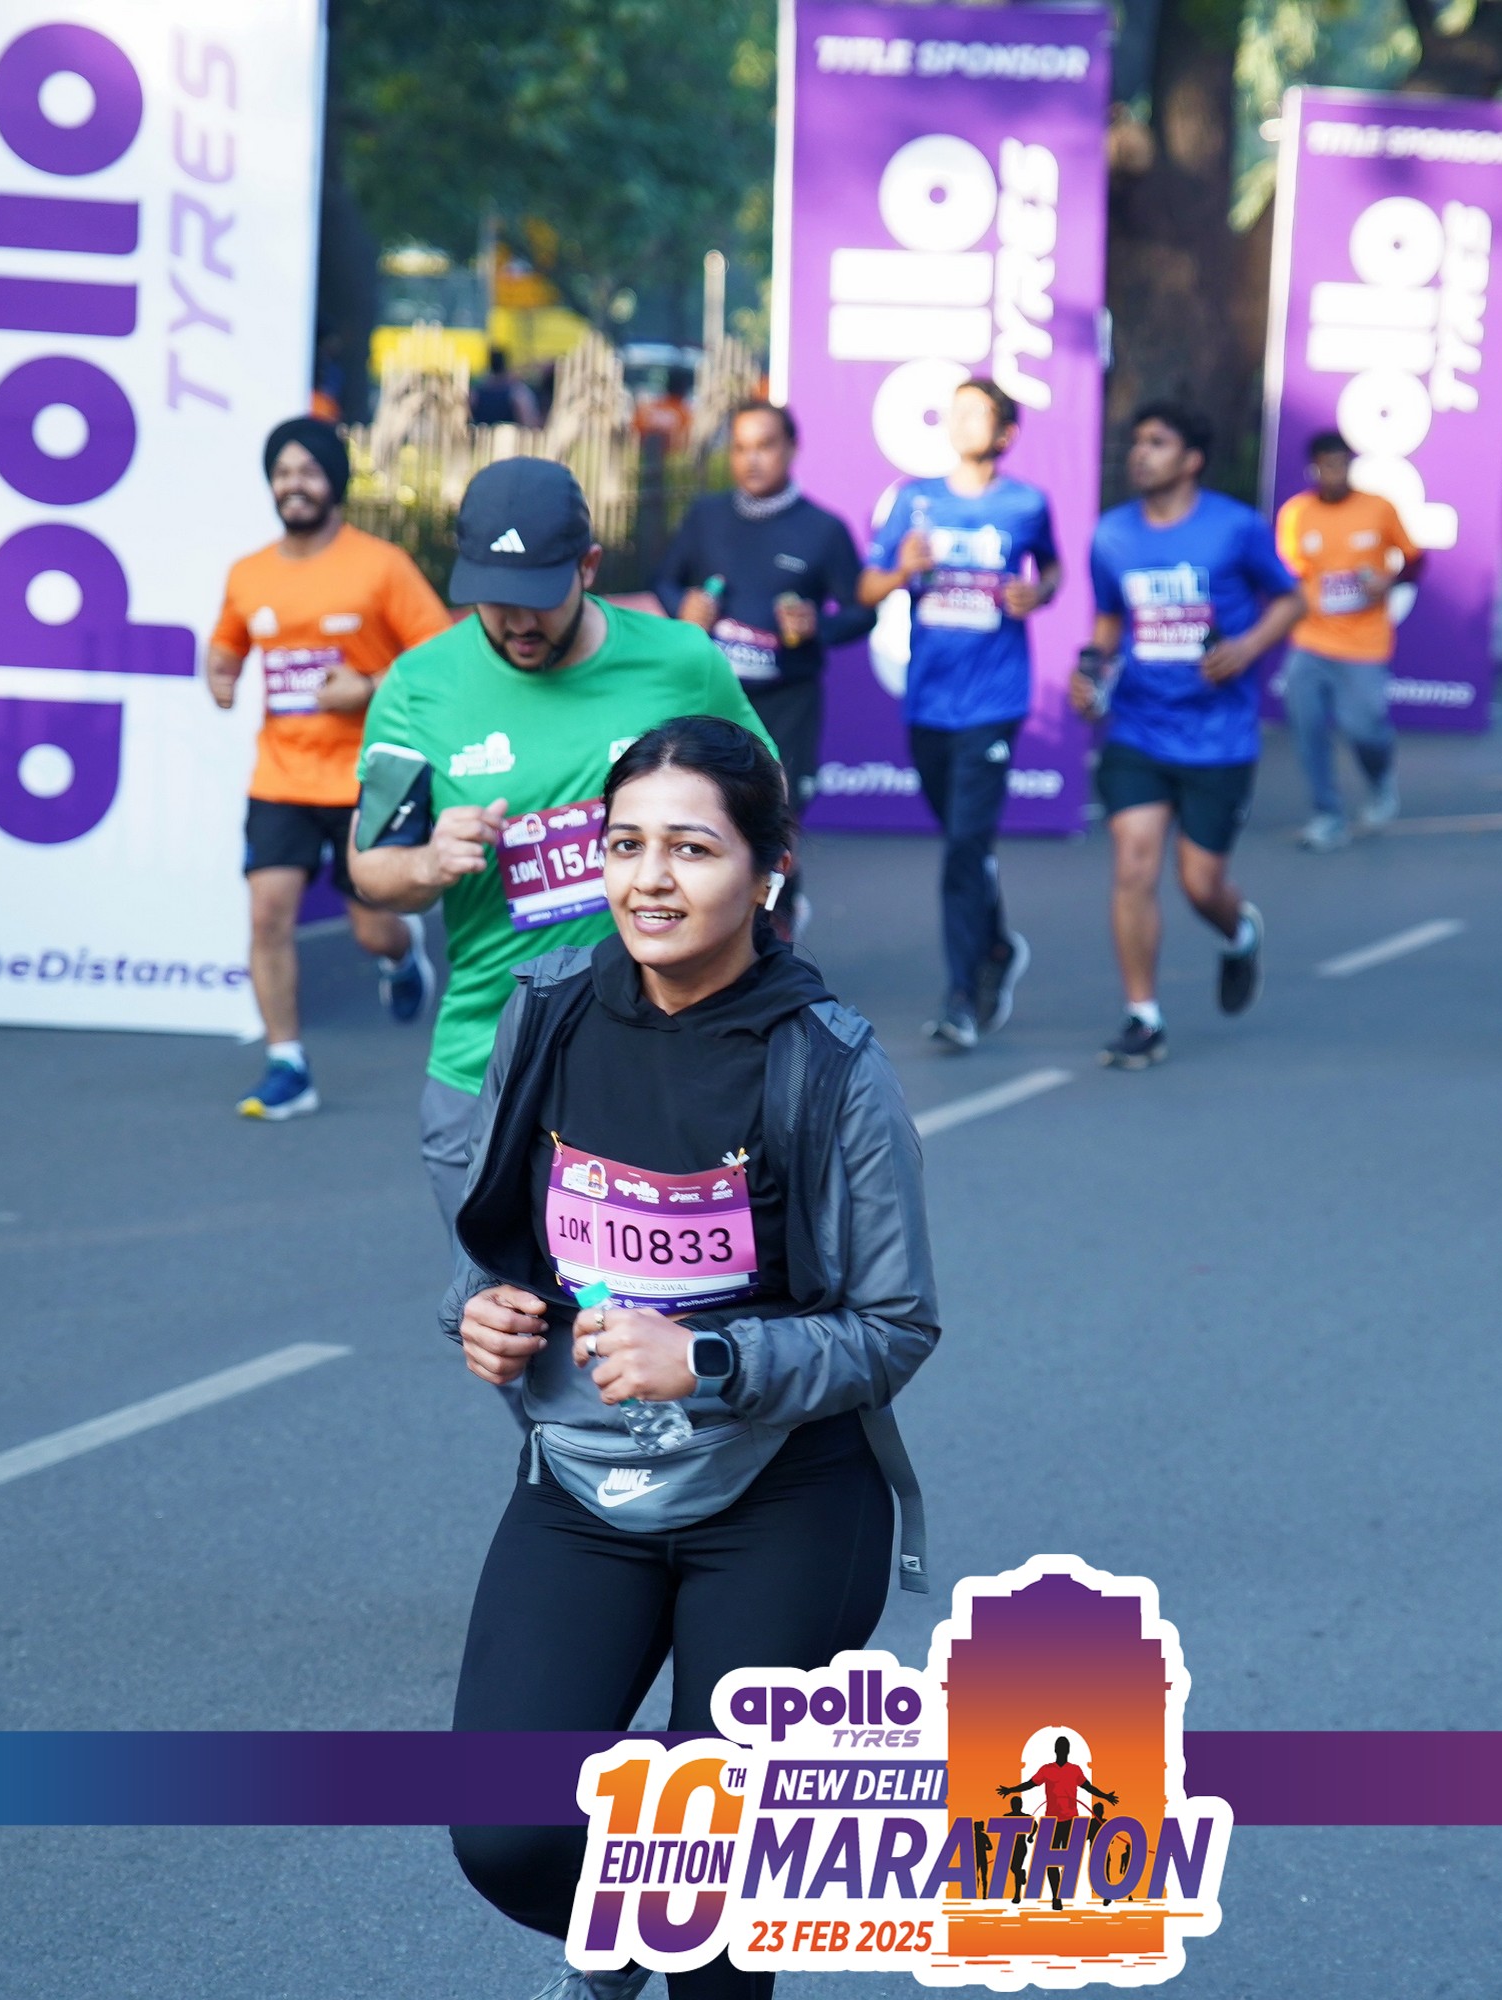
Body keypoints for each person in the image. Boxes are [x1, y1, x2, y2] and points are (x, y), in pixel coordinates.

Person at [439, 717, 939, 2000]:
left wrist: (708, 1356)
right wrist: (479, 1307)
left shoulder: (829, 1064)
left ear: (768, 871)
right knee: (506, 1833)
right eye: (625, 845)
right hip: (583, 1484)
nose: (650, 879)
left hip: (784, 1500)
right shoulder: (548, 1012)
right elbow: (496, 1238)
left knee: (715, 1908)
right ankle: (626, 1924)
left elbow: (894, 1325)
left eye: (692, 849)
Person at [347, 458, 775, 1223]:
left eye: (539, 599)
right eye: (494, 599)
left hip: (669, 1059)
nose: (517, 622)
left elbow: (766, 809)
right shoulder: (417, 687)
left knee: (658, 1303)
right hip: (490, 1065)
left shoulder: (682, 663)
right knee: (502, 1304)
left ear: (588, 566)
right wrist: (429, 862)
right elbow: (371, 868)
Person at [205, 417, 453, 1121]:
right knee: (267, 916)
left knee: (373, 929)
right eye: (283, 472)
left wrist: (368, 686)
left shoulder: (381, 566)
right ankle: (287, 1063)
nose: (295, 485)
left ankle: (401, 955)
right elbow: (225, 648)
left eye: (308, 472)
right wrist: (219, 673)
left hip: (363, 779)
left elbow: (441, 657)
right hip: (279, 777)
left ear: (334, 483)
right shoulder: (249, 573)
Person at [1070, 402, 1303, 1070]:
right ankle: (1142, 1016)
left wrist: (1247, 647)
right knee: (1133, 864)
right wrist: (1092, 675)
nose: (1141, 453)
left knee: (1200, 884)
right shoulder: (1112, 535)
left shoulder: (1236, 528)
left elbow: (1292, 599)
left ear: (1192, 459)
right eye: (1137, 442)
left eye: (1158, 442)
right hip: (1138, 727)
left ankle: (1238, 931)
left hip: (1218, 735)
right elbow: (1109, 620)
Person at [858, 377, 1061, 1051]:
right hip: (929, 700)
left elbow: (1052, 570)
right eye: (956, 412)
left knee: (964, 850)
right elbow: (867, 587)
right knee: (964, 844)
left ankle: (960, 998)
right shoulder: (913, 500)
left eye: (977, 414)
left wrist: (1037, 593)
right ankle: (997, 944)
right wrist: (901, 571)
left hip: (995, 700)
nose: (961, 422)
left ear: (1005, 433)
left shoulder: (1026, 503)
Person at [657, 398, 872, 939]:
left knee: (777, 828)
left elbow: (862, 612)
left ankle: (778, 933)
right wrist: (683, 606)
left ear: (792, 449)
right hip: (714, 699)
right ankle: (719, 937)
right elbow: (665, 579)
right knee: (710, 821)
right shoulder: (705, 516)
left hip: (788, 703)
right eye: (741, 448)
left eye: (765, 446)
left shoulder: (823, 529)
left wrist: (817, 626)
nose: (751, 459)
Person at [1273, 428, 1421, 850]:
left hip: (1365, 642)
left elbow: (1415, 560)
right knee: (1308, 728)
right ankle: (1327, 814)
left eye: (1342, 464)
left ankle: (1380, 778)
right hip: (1311, 639)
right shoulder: (1296, 514)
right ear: (1314, 468)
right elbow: (1289, 572)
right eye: (1327, 465)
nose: (1335, 473)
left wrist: (1388, 581)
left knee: (1364, 727)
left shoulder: (1378, 508)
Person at [996, 1735, 1118, 1911]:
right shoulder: (1046, 1770)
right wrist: (1011, 1790)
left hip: (1071, 1822)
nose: (1062, 1750)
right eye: (1060, 1747)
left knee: (1071, 1861)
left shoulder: (1075, 1770)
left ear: (1068, 1750)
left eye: (1064, 1747)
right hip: (1052, 1823)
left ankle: (1101, 1889)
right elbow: (1030, 1784)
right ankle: (1056, 1897)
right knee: (1050, 1861)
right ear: (1056, 1750)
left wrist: (1105, 1796)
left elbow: (1088, 1787)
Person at [469, 346, 543, 430]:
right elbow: (529, 423)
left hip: (483, 434)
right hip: (509, 436)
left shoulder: (476, 393)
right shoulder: (517, 392)